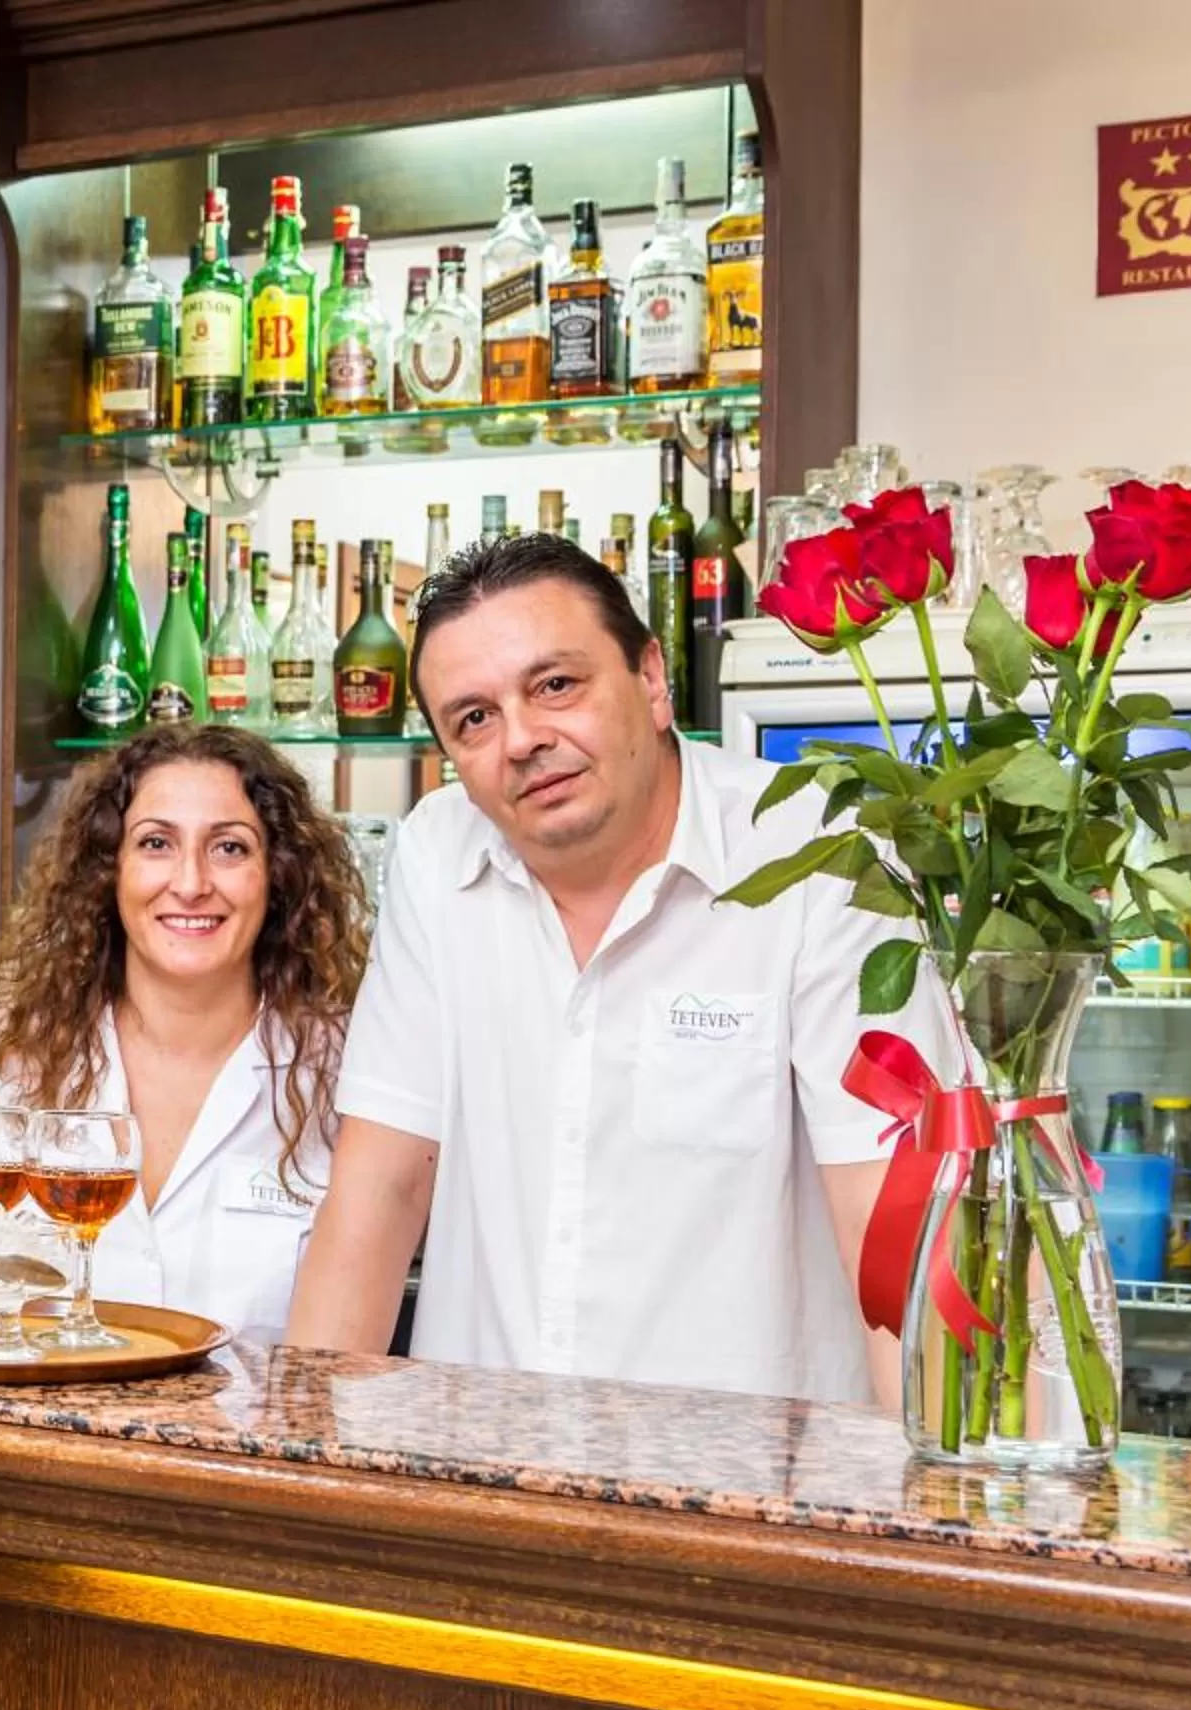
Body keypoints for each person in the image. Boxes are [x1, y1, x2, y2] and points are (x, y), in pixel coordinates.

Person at [286, 532, 941, 1402]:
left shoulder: (816, 850)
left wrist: (921, 1514)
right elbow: (381, 1185)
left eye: (556, 685)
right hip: (479, 1477)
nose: (521, 740)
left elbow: (894, 1221)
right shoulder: (439, 852)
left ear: (653, 679)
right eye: (474, 719)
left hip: (749, 1488)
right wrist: (295, 1467)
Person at [0, 724, 368, 1341]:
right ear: (107, 870)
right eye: (155, 843)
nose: (191, 883)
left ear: (278, 875)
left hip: (254, 1436)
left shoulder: (344, 1063)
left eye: (229, 848)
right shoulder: (11, 1045)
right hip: (45, 1434)